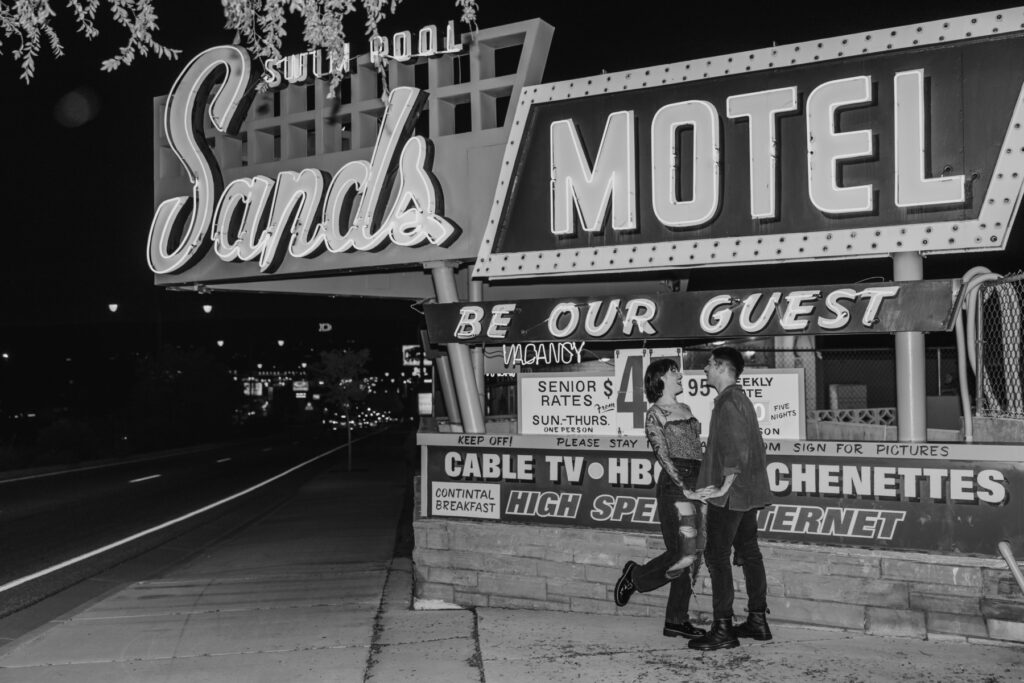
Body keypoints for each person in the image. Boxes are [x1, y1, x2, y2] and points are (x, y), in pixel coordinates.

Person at [613, 358, 707, 640]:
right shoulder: (655, 414)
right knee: (682, 552)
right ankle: (637, 577)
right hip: (675, 484)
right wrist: (684, 486)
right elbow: (662, 454)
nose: (680, 374)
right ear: (661, 378)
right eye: (673, 371)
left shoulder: (686, 408)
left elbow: (696, 449)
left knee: (692, 554)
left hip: (697, 479)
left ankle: (676, 620)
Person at [688, 346, 774, 651]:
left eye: (709, 364)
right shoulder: (737, 400)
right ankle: (756, 621)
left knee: (716, 556)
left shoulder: (730, 402)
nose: (705, 370)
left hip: (732, 496)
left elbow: (738, 448)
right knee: (749, 551)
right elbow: (751, 447)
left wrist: (725, 486)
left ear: (723, 368)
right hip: (747, 493)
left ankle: (723, 628)